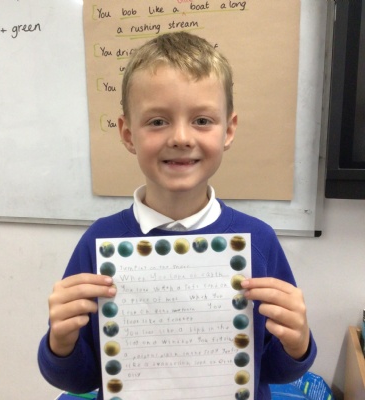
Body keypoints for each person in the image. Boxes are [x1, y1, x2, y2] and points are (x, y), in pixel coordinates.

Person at [38, 31, 316, 399]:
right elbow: (82, 380)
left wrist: (298, 343)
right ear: (128, 134)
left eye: (202, 120)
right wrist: (60, 342)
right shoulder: (98, 243)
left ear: (229, 130)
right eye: (157, 122)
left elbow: (275, 370)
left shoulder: (258, 241)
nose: (181, 137)